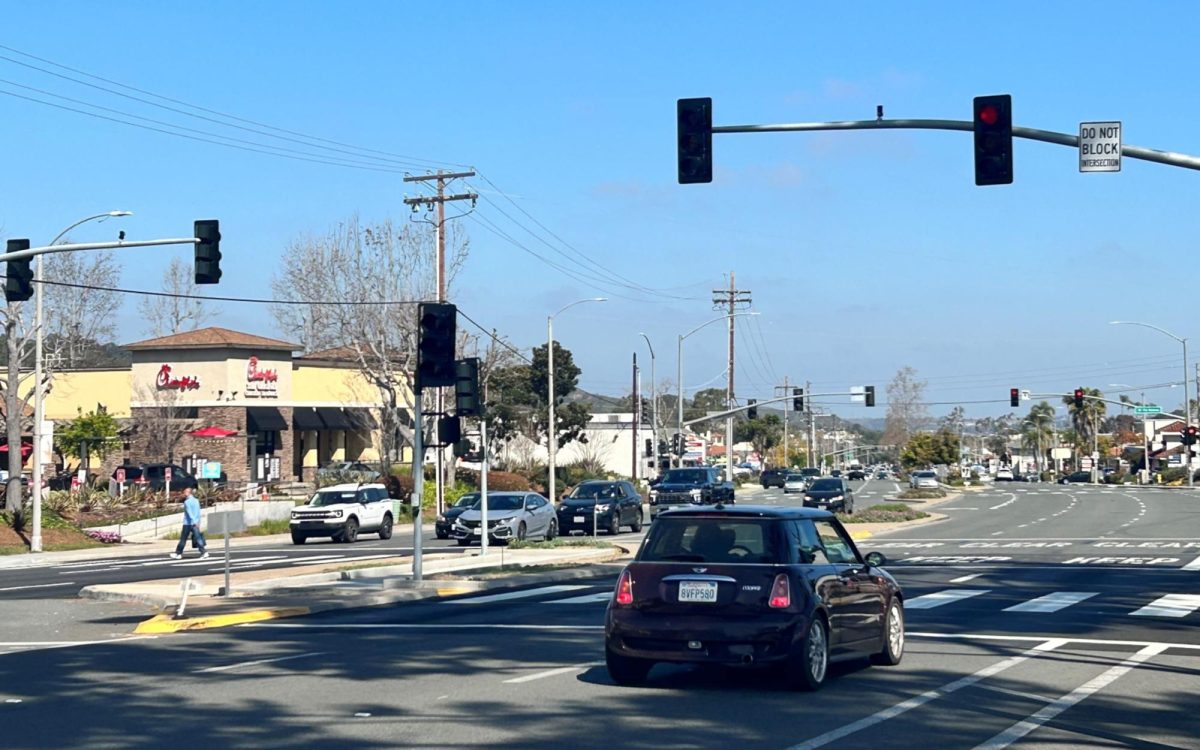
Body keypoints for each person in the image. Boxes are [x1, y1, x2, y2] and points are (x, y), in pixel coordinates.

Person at [170, 486, 208, 559]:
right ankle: (203, 552)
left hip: (188, 523)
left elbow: (189, 513)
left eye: (184, 492)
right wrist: (197, 521)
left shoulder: (187, 502)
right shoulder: (196, 500)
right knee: (198, 538)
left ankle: (178, 553)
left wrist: (193, 521)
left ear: (188, 493)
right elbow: (198, 512)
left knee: (183, 539)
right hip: (195, 523)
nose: (184, 493)